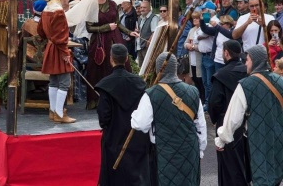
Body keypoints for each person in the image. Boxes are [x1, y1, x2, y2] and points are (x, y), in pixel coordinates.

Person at [131, 52, 207, 186]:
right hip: (190, 150)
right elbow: (200, 124)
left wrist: (134, 115)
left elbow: (140, 124)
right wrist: (200, 149)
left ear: (157, 69)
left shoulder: (151, 94)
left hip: (164, 151)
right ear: (175, 69)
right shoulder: (193, 91)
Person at [215, 45, 283, 186]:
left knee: (261, 178)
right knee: (276, 177)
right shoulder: (280, 81)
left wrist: (222, 139)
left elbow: (233, 118)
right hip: (279, 137)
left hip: (258, 139)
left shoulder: (246, 85)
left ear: (255, 60)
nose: (245, 63)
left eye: (248, 59)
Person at [95, 44, 150, 186]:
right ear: (126, 58)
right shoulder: (139, 83)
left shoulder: (106, 85)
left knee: (114, 176)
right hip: (136, 136)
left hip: (114, 136)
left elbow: (103, 117)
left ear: (111, 59)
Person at [83, 0, 138, 110]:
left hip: (115, 39)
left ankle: (119, 98)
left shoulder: (113, 4)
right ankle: (97, 99)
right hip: (99, 42)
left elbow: (117, 23)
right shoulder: (91, 6)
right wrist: (106, 27)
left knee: (121, 66)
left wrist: (129, 32)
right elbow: (89, 28)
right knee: (97, 69)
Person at [208, 40, 249, 186]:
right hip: (247, 121)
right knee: (246, 162)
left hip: (226, 122)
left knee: (228, 164)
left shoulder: (221, 75)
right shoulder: (247, 71)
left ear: (226, 53)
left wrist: (214, 119)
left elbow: (214, 102)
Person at [37, 0, 76, 123]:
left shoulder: (47, 9)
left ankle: (53, 111)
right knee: (65, 82)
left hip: (50, 47)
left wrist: (48, 39)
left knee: (53, 81)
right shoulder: (58, 12)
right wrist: (65, 52)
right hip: (58, 49)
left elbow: (40, 31)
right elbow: (60, 37)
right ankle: (60, 114)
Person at [184, 11, 205, 103]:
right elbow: (185, 42)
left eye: (197, 18)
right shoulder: (191, 30)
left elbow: (204, 46)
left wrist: (194, 47)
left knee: (201, 80)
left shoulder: (203, 30)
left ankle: (203, 99)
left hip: (199, 58)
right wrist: (187, 46)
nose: (195, 20)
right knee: (195, 79)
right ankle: (199, 98)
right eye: (194, 18)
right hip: (191, 59)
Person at [135, 0, 159, 68]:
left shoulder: (153, 17)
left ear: (149, 8)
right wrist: (137, 31)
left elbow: (154, 32)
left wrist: (149, 42)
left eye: (144, 7)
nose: (142, 9)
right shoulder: (140, 18)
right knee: (141, 67)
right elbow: (141, 30)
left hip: (147, 47)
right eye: (141, 7)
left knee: (148, 68)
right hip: (139, 46)